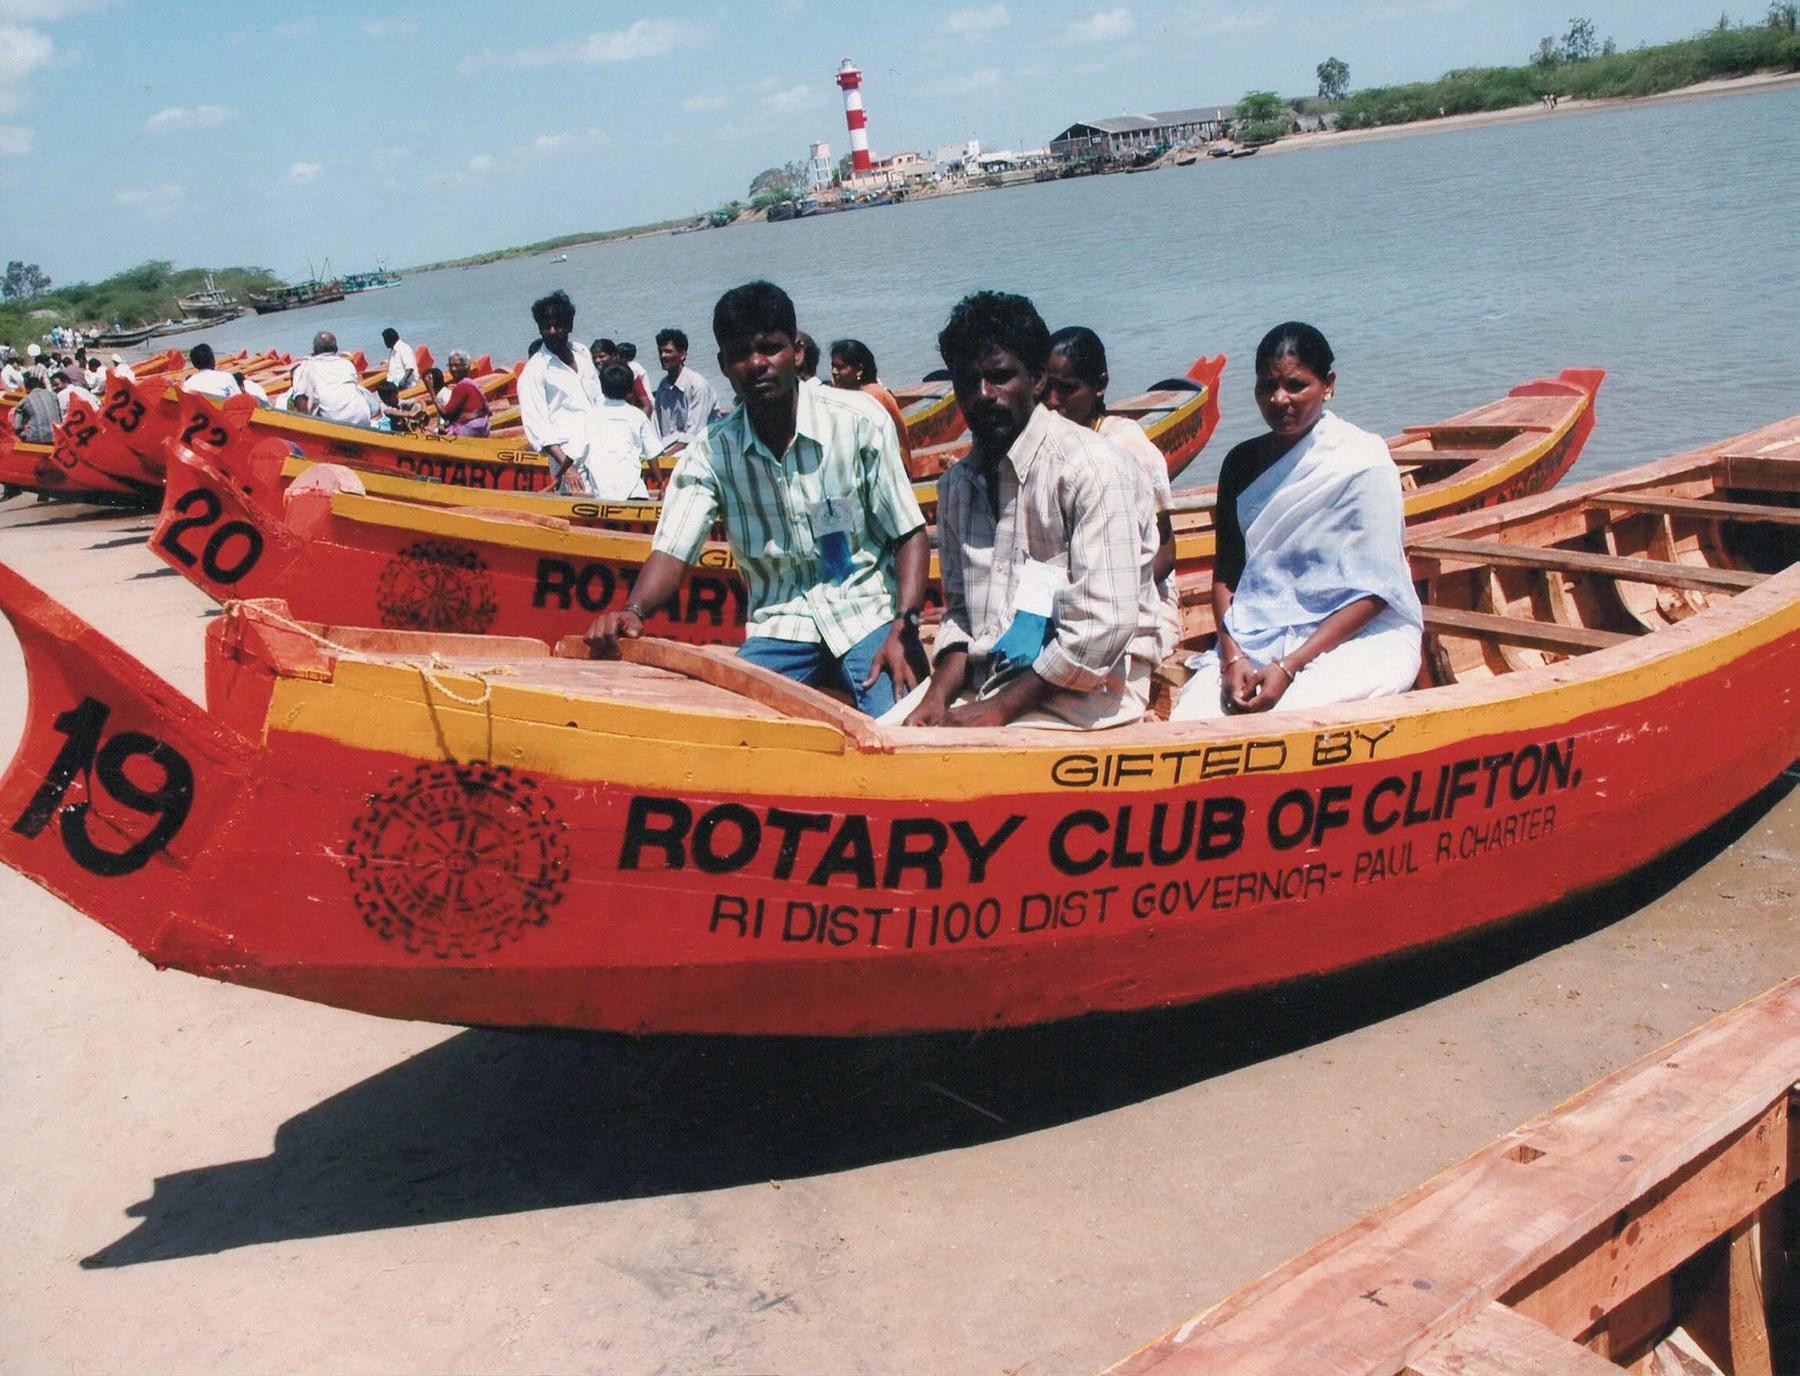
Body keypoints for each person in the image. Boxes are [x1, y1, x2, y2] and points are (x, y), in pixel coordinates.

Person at [587, 280, 929, 717]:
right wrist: (633, 610)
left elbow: (909, 533)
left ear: (797, 352)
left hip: (867, 614)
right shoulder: (711, 453)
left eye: (770, 348)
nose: (756, 364)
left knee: (900, 719)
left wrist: (905, 625)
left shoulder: (858, 421)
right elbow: (673, 550)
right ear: (724, 366)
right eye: (740, 354)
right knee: (728, 726)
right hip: (780, 627)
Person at [895, 291, 1162, 730]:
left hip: (1090, 694)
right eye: (967, 382)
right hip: (989, 683)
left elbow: (1101, 628)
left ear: (1037, 378)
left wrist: (998, 710)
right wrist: (936, 697)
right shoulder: (957, 486)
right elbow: (961, 616)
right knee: (885, 737)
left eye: (1000, 377)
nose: (983, 395)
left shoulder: (1091, 469)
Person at [1171, 323, 1422, 720]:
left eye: (1295, 385)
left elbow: (1378, 590)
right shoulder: (1241, 463)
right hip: (1259, 632)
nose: (1279, 399)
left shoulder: (1362, 460)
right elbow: (1227, 575)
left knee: (1292, 711)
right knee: (1191, 717)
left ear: (1328, 385)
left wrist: (1290, 666)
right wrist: (1232, 657)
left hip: (1360, 635)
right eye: (1267, 386)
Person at [1044, 325, 1179, 662]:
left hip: (1141, 603)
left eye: (1067, 389)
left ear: (1100, 385)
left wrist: (1100, 607)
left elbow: (1165, 554)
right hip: (1068, 601)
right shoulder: (1051, 444)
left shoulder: (1127, 445)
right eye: (1046, 388)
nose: (1052, 401)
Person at [517, 289, 607, 494]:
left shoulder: (582, 353)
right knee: (583, 507)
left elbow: (599, 399)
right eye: (545, 327)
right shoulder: (534, 371)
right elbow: (538, 427)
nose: (551, 331)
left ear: (569, 325)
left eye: (557, 325)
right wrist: (568, 469)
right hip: (568, 457)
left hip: (600, 446)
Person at [828, 337, 913, 466]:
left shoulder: (873, 394)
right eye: (833, 366)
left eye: (840, 367)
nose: (834, 371)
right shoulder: (847, 392)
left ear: (859, 370)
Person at [578, 362, 657, 498]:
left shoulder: (590, 415)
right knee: (638, 489)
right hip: (632, 489)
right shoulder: (638, 415)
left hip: (601, 489)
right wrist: (660, 482)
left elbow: (576, 452)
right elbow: (651, 454)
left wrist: (559, 475)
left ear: (602, 388)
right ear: (630, 390)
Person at [289, 331, 378, 426]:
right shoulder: (347, 364)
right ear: (336, 349)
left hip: (333, 422)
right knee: (359, 389)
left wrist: (307, 426)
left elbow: (300, 399)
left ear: (314, 350)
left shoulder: (304, 367)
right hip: (362, 417)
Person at [651, 327, 719, 445]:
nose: (662, 356)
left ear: (682, 355)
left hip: (700, 448)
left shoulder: (698, 386)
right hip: (669, 449)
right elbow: (657, 429)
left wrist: (666, 454)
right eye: (660, 352)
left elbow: (693, 437)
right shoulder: (663, 386)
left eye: (668, 351)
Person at [438, 351, 492, 438]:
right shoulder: (472, 383)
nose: (453, 369)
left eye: (457, 365)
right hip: (483, 427)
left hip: (470, 429)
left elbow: (445, 413)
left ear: (466, 367)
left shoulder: (461, 387)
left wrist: (431, 390)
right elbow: (488, 410)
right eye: (451, 365)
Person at [12, 373, 62, 444]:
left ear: (27, 389)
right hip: (57, 437)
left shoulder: (25, 400)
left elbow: (17, 427)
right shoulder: (53, 396)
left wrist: (22, 434)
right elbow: (60, 417)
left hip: (36, 439)